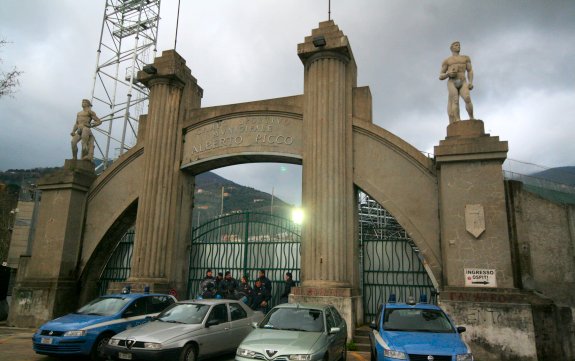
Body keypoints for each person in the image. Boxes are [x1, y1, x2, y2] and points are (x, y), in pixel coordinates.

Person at [439, 41, 475, 124]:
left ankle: (472, 117)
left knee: (467, 98)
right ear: (452, 48)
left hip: (463, 81)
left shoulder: (466, 58)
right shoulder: (447, 61)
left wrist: (470, 82)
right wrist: (448, 74)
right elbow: (441, 76)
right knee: (455, 100)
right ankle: (457, 120)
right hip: (452, 82)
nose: (458, 46)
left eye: (459, 45)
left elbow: (470, 71)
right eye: (456, 45)